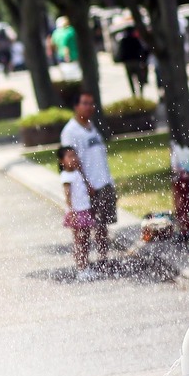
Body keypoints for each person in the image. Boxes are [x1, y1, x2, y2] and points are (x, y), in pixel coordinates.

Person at [59, 91, 117, 265]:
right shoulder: (70, 131)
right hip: (87, 187)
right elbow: (71, 161)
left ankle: (103, 260)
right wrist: (85, 183)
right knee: (82, 229)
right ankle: (83, 264)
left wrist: (109, 182)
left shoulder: (92, 126)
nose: (89, 107)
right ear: (76, 106)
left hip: (103, 183)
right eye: (85, 103)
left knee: (102, 226)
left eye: (91, 103)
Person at [57, 146, 96, 281]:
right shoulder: (66, 176)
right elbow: (67, 194)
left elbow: (88, 190)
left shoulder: (78, 172)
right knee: (79, 241)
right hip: (76, 212)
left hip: (85, 210)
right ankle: (81, 268)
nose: (74, 159)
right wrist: (71, 210)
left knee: (85, 240)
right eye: (70, 156)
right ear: (62, 161)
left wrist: (83, 175)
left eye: (75, 155)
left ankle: (86, 266)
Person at [118, 29, 149, 96]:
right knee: (140, 78)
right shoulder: (135, 40)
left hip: (128, 62)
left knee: (131, 79)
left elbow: (121, 52)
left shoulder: (124, 41)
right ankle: (141, 93)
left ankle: (134, 93)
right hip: (136, 61)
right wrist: (143, 60)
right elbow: (141, 50)